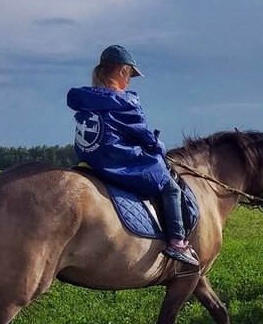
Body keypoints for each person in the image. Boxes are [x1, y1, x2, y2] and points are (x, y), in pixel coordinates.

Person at [68, 45, 199, 267]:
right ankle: (177, 242)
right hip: (117, 159)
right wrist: (159, 147)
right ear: (122, 71)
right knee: (170, 187)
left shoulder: (85, 98)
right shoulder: (126, 102)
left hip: (89, 158)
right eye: (130, 74)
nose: (129, 81)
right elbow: (143, 135)